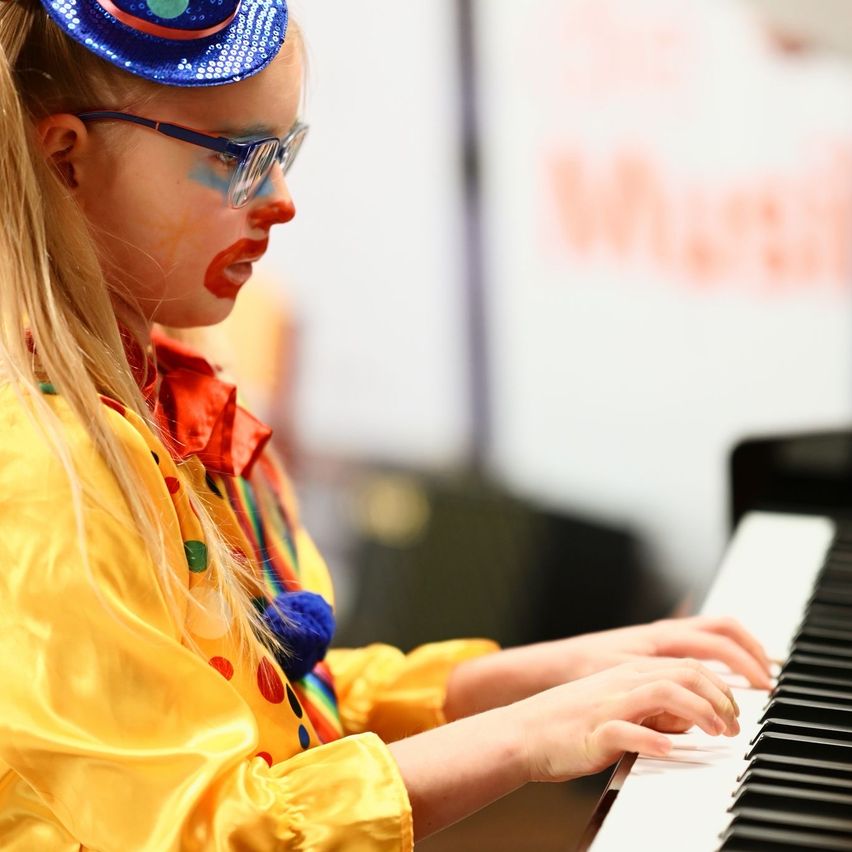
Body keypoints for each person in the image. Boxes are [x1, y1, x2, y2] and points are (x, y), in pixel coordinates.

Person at [0, 0, 774, 848]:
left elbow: (282, 704)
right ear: (68, 158)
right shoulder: (41, 473)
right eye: (242, 157)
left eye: (285, 151)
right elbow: (204, 831)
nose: (284, 201)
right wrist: (522, 738)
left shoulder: (149, 398)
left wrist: (536, 678)